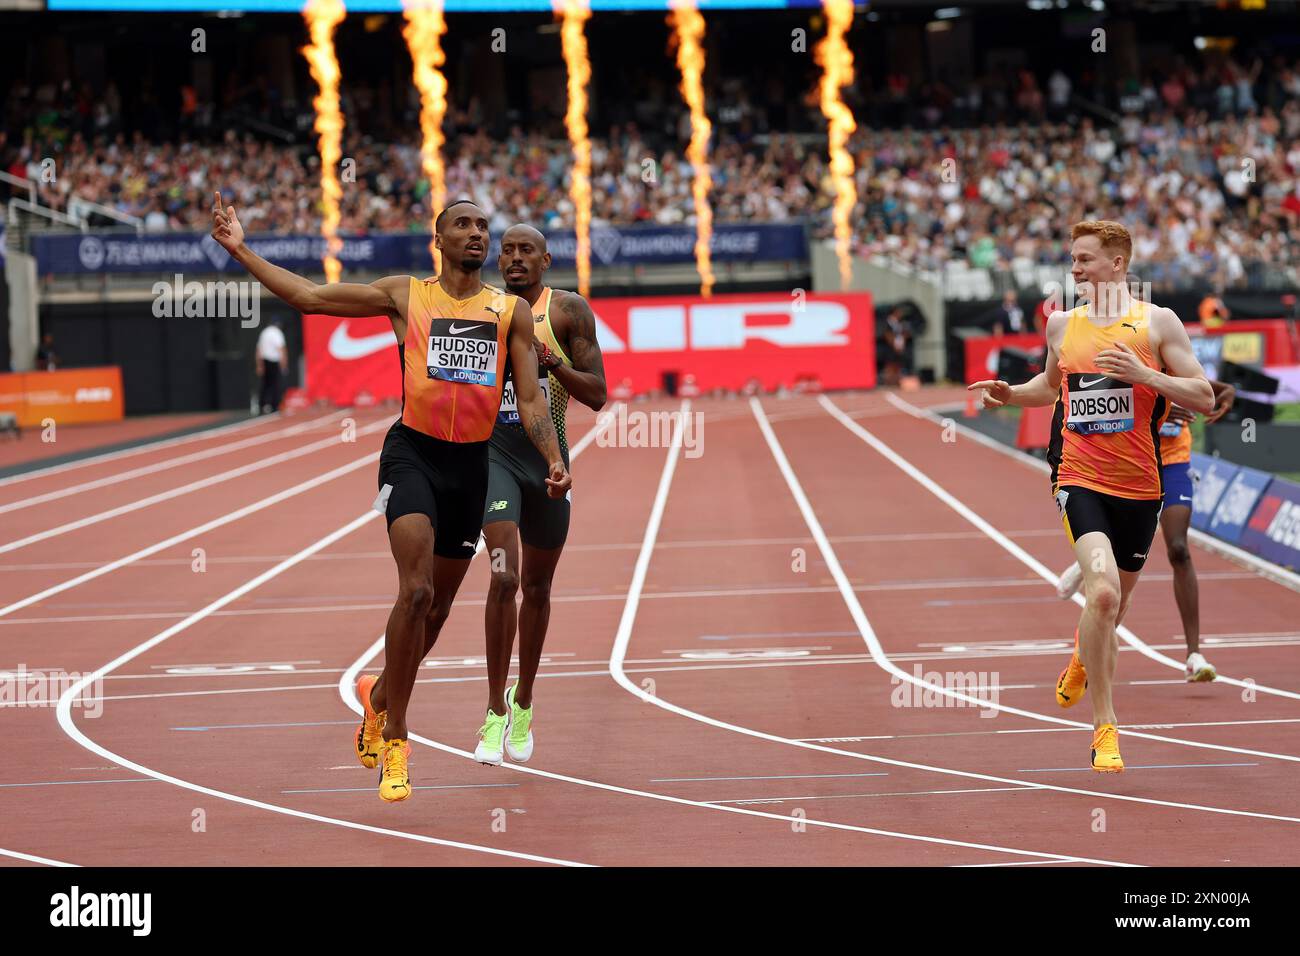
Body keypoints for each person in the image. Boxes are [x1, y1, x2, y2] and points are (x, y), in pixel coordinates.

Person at [211, 193, 570, 802]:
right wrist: (240, 247)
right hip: (413, 455)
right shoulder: (406, 295)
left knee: (434, 615)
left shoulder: (508, 313)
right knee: (416, 588)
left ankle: (378, 699)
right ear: (439, 239)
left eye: (483, 225)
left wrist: (554, 459)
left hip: (470, 469)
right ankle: (397, 742)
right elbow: (311, 297)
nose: (478, 234)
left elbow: (533, 401)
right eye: (463, 225)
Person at [968, 220, 1214, 773]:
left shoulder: (1157, 323)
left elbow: (1202, 394)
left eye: (1085, 260)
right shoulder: (1062, 325)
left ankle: (1083, 656)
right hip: (1080, 481)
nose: (1074, 269)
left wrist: (1145, 376)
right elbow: (1050, 387)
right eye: (1072, 259)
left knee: (1115, 607)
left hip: (1142, 488)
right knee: (1101, 596)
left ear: (1118, 264)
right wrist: (1011, 395)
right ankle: (1106, 728)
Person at [473, 224, 607, 766]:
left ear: (546, 260)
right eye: (507, 251)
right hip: (494, 461)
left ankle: (523, 699)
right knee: (503, 576)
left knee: (539, 587)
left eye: (527, 250)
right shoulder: (480, 309)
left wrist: (552, 364)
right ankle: (492, 711)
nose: (515, 259)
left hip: (549, 465)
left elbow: (598, 394)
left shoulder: (568, 312)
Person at [1056, 381, 1237, 681]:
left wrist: (1223, 396)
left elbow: (1208, 390)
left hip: (1173, 462)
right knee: (1119, 550)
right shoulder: (1130, 349)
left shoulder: (1172, 352)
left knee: (1178, 548)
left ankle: (1194, 654)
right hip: (1131, 463)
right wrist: (1161, 406)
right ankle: (1092, 574)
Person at [255, 319, 289, 413]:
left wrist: (259, 365)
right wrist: (284, 364)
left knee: (265, 384)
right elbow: (281, 349)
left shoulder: (264, 332)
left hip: (265, 360)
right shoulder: (277, 332)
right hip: (274, 361)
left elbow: (258, 349)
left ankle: (262, 405)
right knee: (276, 384)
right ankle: (275, 405)